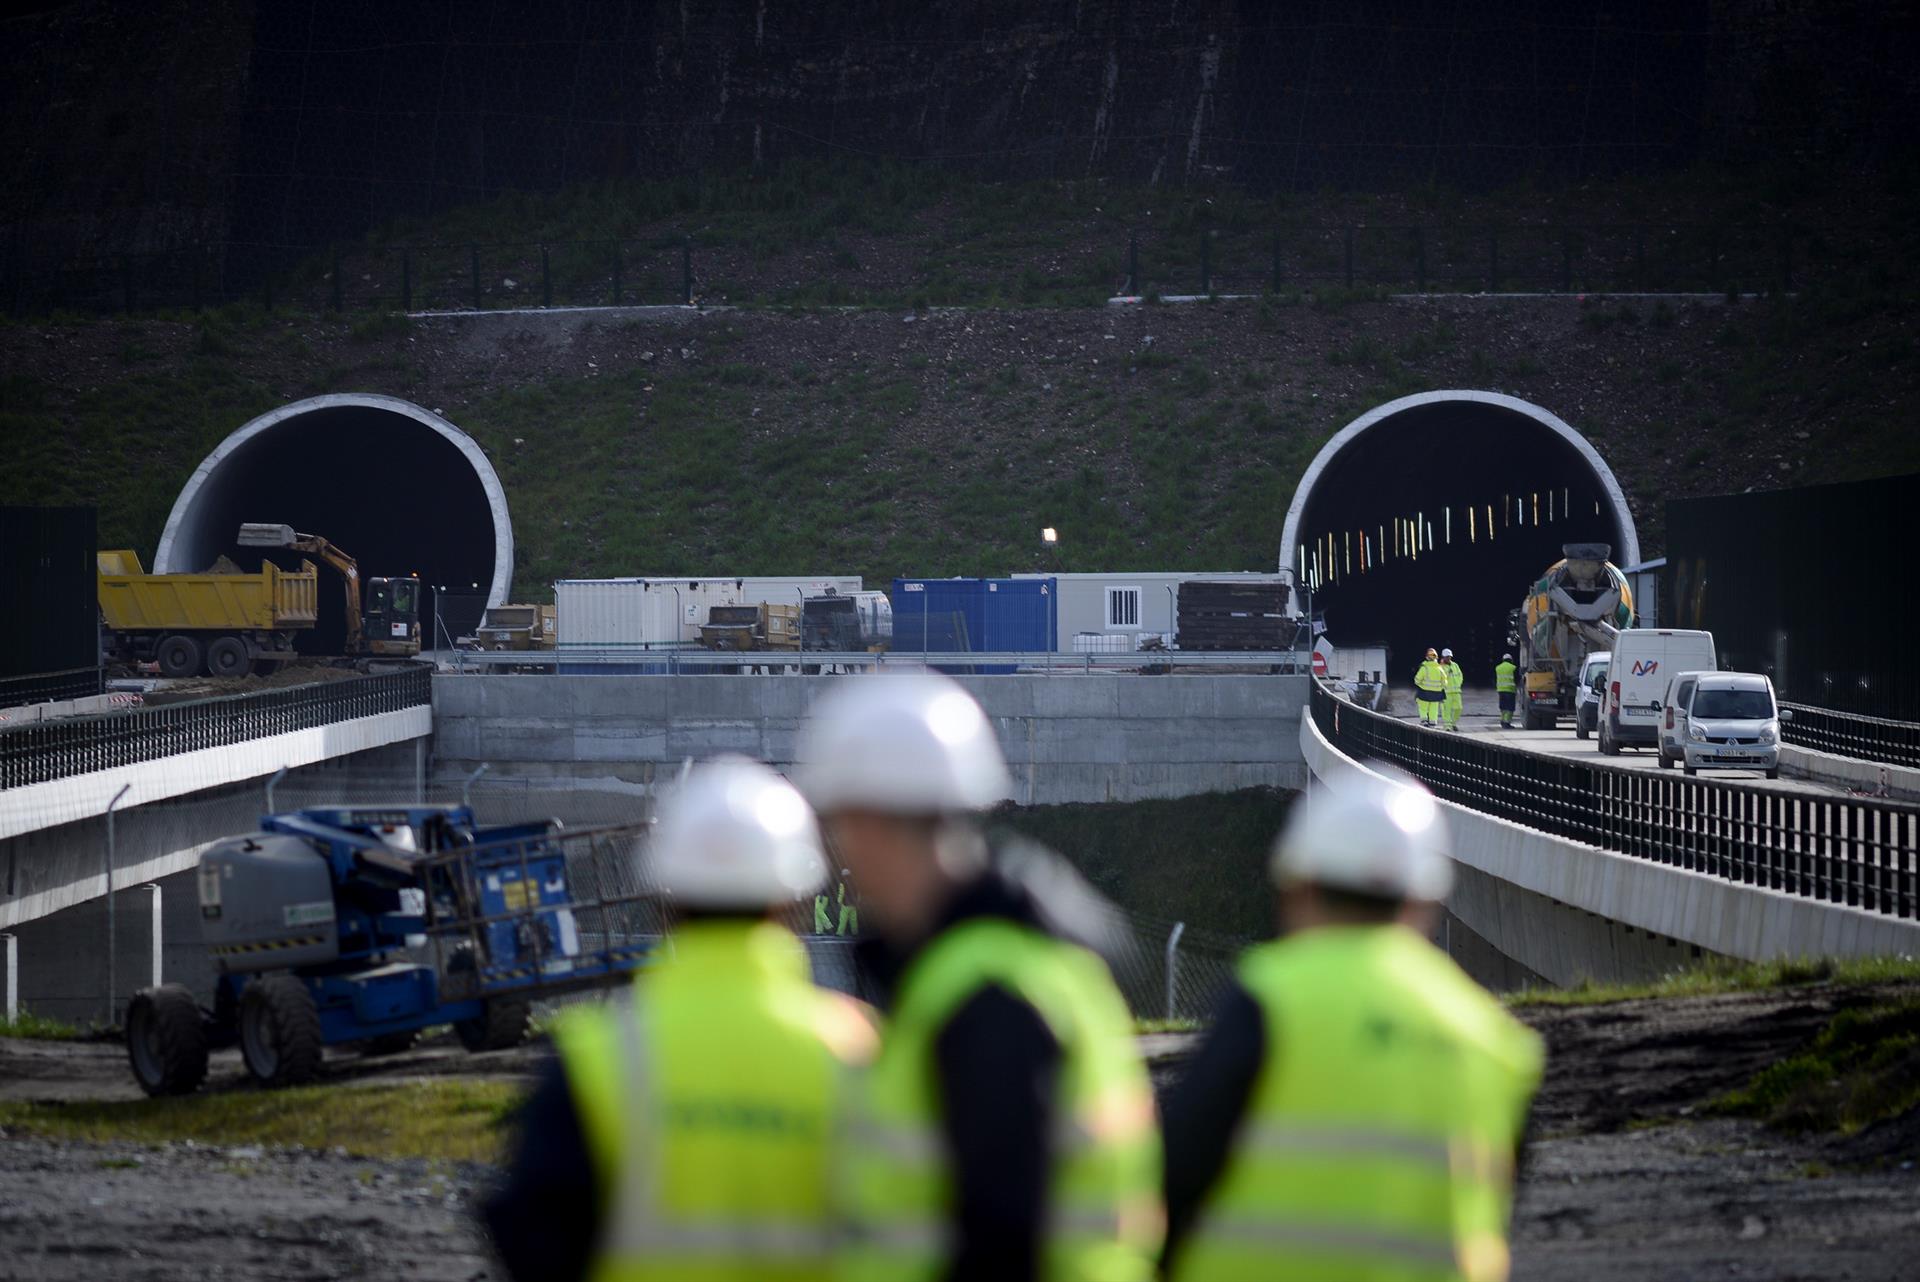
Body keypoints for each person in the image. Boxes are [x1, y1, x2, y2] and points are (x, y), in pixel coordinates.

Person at [796, 672, 1163, 1282]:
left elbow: (1002, 1239)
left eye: (838, 824)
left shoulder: (985, 994)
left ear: (868, 821)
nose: (838, 850)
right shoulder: (1020, 966)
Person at [481, 757, 876, 1282]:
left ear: (668, 896)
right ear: (794, 899)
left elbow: (532, 1237)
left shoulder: (594, 1055)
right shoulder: (859, 1052)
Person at [1160, 773, 1544, 1282]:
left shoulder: (1268, 998)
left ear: (1298, 887)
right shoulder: (1497, 1043)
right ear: (1425, 902)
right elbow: (1496, 1207)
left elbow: (1177, 1169)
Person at [1414, 648, 1448, 728]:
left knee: (1423, 707)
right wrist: (1439, 687)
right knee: (1434, 708)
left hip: (1424, 692)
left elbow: (1417, 680)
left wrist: (1420, 684)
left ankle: (1424, 721)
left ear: (1427, 657)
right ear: (1436, 658)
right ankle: (1432, 723)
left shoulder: (1424, 668)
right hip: (1436, 693)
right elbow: (1445, 682)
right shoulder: (1440, 669)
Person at [1441, 647, 1465, 732]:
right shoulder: (1441, 667)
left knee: (1459, 708)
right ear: (1443, 657)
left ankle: (1453, 723)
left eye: (1449, 656)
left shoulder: (1455, 665)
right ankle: (1447, 726)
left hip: (1456, 691)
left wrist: (1459, 684)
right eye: (1447, 657)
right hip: (1446, 692)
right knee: (1447, 710)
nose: (1448, 658)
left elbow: (1460, 675)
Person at [1494, 652, 1518, 728]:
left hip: (1501, 690)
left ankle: (1502, 720)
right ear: (1511, 660)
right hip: (1510, 690)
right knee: (1510, 708)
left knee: (1503, 707)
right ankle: (1506, 723)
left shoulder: (1498, 668)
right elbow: (1517, 679)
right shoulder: (1513, 667)